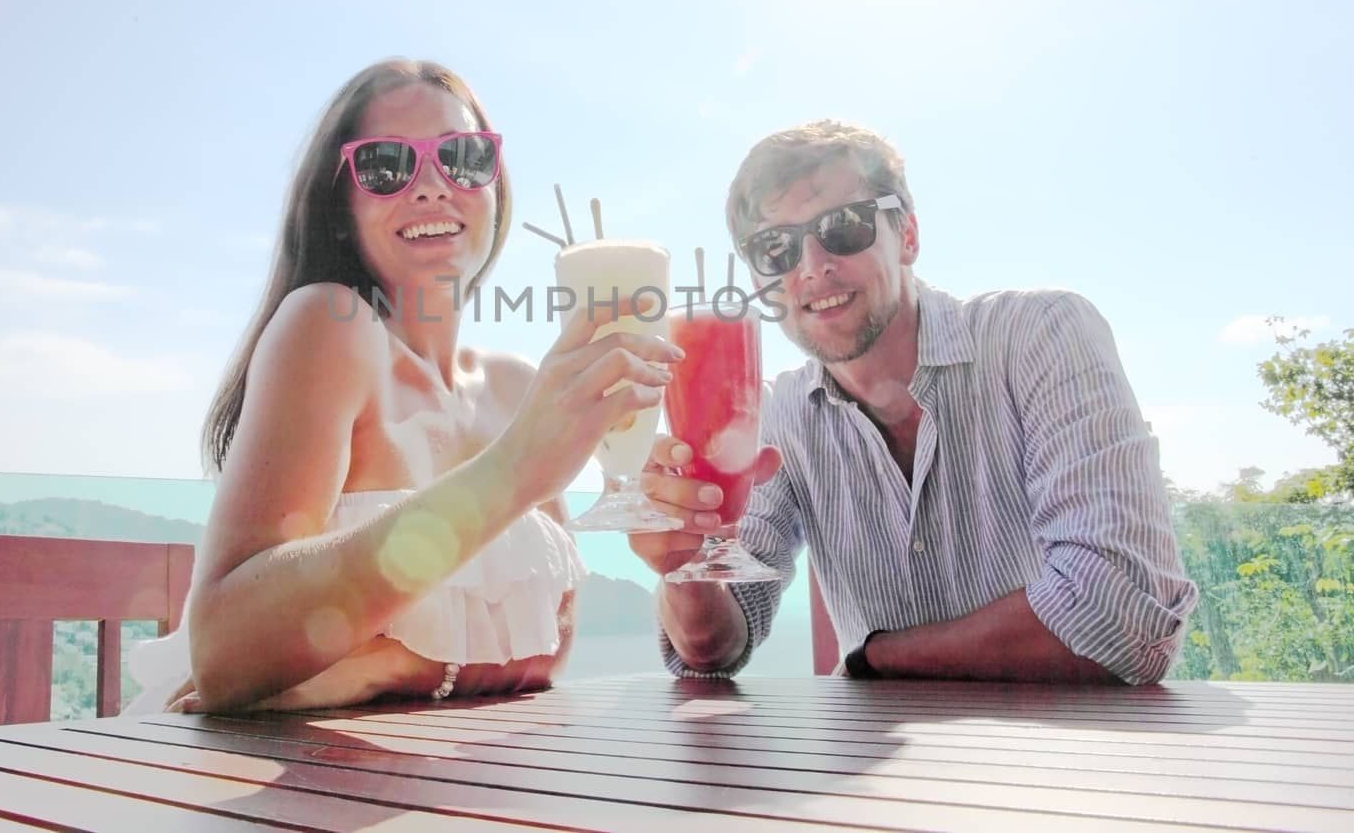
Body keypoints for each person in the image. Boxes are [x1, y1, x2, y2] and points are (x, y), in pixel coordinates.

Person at [129, 59, 678, 713]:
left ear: (494, 187)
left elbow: (548, 645)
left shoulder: (512, 386)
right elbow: (222, 652)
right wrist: (516, 469)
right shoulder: (331, 326)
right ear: (340, 209)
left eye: (463, 158)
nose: (431, 187)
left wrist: (399, 663)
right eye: (387, 166)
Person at [630, 119, 1197, 685]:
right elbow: (713, 652)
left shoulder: (1039, 336)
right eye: (774, 248)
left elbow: (1123, 619)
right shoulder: (777, 417)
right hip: (877, 773)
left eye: (843, 226)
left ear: (908, 235)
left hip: (1073, 760)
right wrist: (687, 571)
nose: (812, 266)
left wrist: (874, 657)